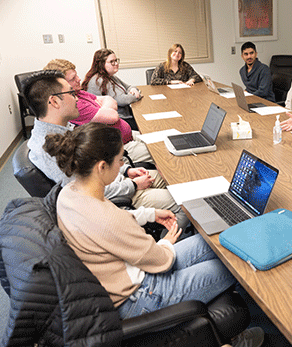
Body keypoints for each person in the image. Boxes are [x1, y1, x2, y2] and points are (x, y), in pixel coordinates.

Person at [45, 122, 264, 347]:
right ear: (102, 166)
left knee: (213, 241)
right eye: (120, 160)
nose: (122, 165)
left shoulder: (69, 194)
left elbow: (111, 223)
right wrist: (166, 244)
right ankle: (233, 336)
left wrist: (148, 214)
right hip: (142, 295)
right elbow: (162, 261)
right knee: (234, 263)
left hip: (123, 277)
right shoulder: (106, 219)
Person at [23, 70, 191, 237]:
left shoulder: (62, 128)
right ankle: (167, 250)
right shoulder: (48, 150)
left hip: (119, 179)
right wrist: (132, 185)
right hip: (118, 197)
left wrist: (125, 171)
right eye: (71, 93)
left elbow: (94, 165)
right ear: (54, 101)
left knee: (177, 180)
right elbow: (88, 194)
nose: (76, 98)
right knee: (186, 201)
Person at [43, 58, 150, 162]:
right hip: (119, 147)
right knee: (160, 151)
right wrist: (105, 110)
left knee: (158, 138)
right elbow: (113, 116)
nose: (79, 79)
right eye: (72, 79)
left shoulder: (78, 92)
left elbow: (110, 100)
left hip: (127, 135)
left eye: (76, 75)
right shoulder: (74, 104)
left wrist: (101, 109)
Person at [82, 49, 141, 130]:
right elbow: (122, 100)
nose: (116, 64)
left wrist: (133, 90)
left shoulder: (110, 77)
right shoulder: (99, 80)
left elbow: (129, 87)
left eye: (116, 60)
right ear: (101, 64)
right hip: (115, 122)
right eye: (112, 62)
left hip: (122, 116)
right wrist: (137, 96)